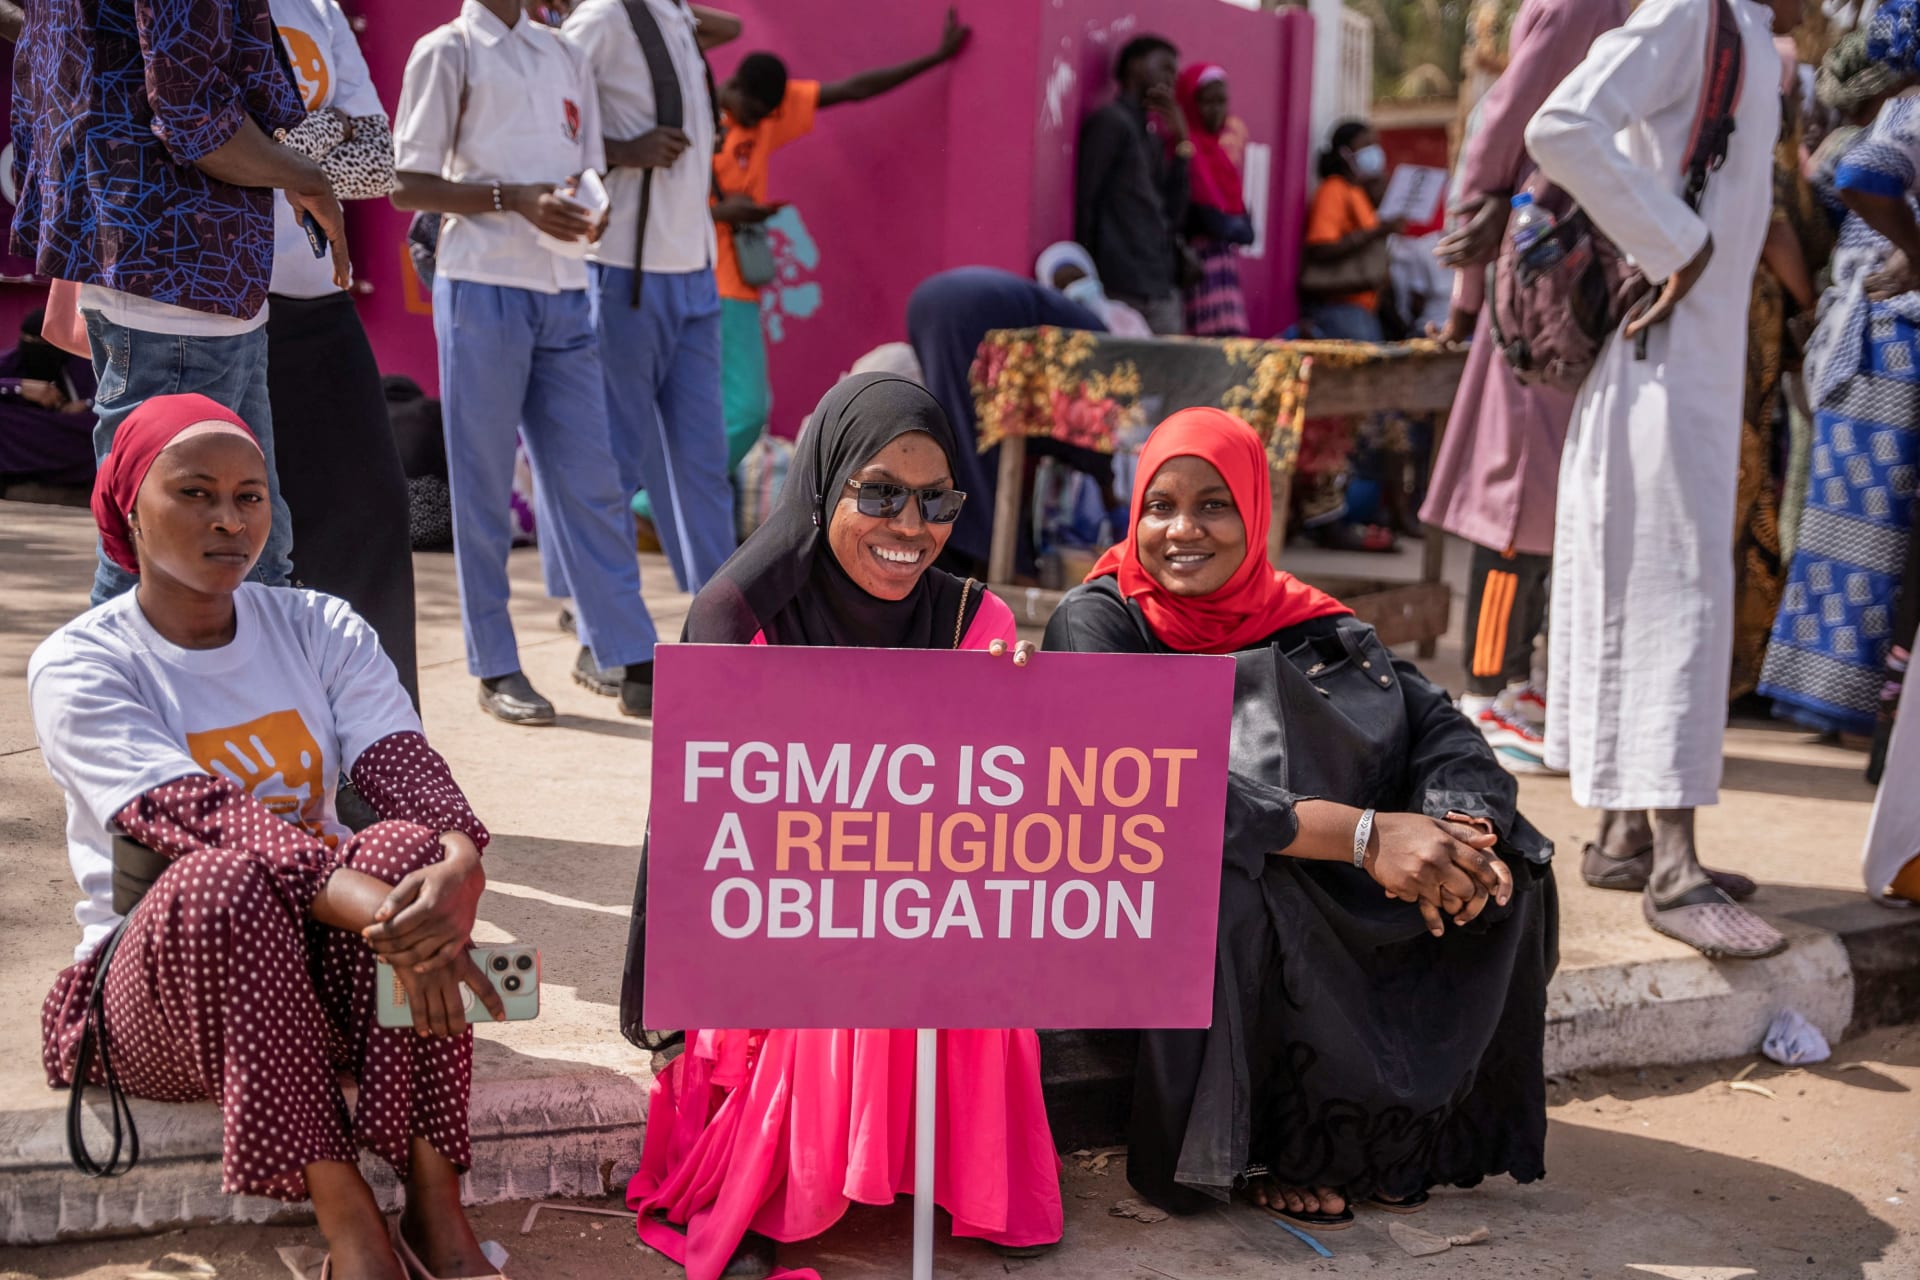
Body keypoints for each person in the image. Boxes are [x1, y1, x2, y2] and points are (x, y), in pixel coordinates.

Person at [29, 394, 504, 1280]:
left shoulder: (316, 625)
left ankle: (438, 1201)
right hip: (169, 996)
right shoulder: (83, 662)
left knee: (410, 848)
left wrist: (459, 862)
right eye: (196, 493)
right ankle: (351, 1222)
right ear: (130, 504)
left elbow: (401, 759)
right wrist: (406, 923)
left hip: (319, 975)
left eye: (251, 496)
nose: (229, 519)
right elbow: (208, 820)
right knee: (223, 879)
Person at [1043, 409, 1557, 1225]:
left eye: (1215, 505)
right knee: (1239, 889)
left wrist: (1458, 828)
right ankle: (1258, 1150)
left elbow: (1443, 729)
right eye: (1160, 505)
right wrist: (1366, 838)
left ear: (1257, 512)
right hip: (1150, 890)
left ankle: (1395, 1144)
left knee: (1512, 869)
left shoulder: (1306, 619)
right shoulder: (1101, 621)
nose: (1184, 529)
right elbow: (1157, 791)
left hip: (1306, 854)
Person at [620, 374, 1064, 1279]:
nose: (912, 526)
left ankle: (926, 1177)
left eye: (937, 499)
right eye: (881, 493)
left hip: (918, 907)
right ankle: (784, 1192)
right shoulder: (738, 620)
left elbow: (993, 822)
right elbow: (713, 847)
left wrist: (1020, 714)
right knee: (852, 960)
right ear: (823, 487)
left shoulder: (975, 619)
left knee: (942, 954)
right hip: (777, 929)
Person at [1525, 0, 1800, 958]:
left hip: (1679, 369)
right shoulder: (1696, 10)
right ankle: (1675, 870)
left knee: (1646, 591)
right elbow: (1559, 125)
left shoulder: (1751, 32)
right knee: (1678, 596)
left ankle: (1624, 836)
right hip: (1663, 369)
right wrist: (1676, 243)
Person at [10, 0, 350, 608]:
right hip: (178, 270)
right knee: (159, 557)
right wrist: (309, 176)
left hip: (183, 271)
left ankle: (247, 702)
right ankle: (114, 701)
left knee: (252, 557)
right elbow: (195, 118)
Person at [392, 0, 662, 724]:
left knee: (593, 480)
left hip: (565, 288)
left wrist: (588, 208)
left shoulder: (564, 51)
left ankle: (629, 653)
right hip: (481, 286)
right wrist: (515, 202)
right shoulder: (446, 51)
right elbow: (406, 183)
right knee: (480, 486)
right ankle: (495, 664)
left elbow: (588, 165)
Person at [1424, 0, 1630, 775]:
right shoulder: (1581, 4)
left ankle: (1516, 681)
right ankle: (1483, 690)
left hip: (1571, 262)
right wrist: (1466, 293)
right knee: (1513, 493)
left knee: (1544, 496)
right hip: (1545, 271)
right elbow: (1501, 133)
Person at [700, 8, 972, 542]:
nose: (760, 121)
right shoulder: (703, 115)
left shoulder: (769, 113)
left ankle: (661, 503)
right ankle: (656, 502)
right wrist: (723, 213)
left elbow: (852, 89)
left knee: (736, 410)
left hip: (736, 285)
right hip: (699, 281)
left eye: (768, 113)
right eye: (753, 111)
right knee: (744, 409)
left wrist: (935, 59)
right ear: (732, 90)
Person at [549, 0, 741, 701]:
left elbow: (732, 29)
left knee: (703, 469)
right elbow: (549, 126)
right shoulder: (600, 18)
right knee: (609, 468)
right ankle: (601, 639)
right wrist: (625, 151)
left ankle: (726, 636)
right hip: (623, 275)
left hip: (691, 275)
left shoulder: (674, 17)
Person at [1761, 3, 1920, 750]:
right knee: (1873, 537)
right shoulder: (1908, 114)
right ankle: (1854, 705)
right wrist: (1917, 253)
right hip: (1893, 346)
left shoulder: (1891, 113)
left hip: (1864, 341)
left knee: (1846, 530)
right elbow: (1856, 176)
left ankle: (1839, 699)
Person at [266, 0, 420, 706]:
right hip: (212, 302)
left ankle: (378, 755)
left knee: (374, 514)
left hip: (315, 296)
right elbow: (207, 136)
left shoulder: (320, 8)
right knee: (237, 533)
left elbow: (377, 166)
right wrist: (329, 131)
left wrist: (285, 146)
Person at [904, 266, 1106, 573]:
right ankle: (997, 567)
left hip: (931, 300)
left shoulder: (1082, 331)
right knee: (976, 451)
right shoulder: (1108, 362)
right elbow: (1096, 447)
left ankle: (971, 559)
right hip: (973, 317)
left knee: (959, 441)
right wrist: (1112, 497)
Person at [1075, 34, 1190, 335]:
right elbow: (1087, 200)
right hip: (1119, 286)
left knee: (1169, 379)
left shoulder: (1150, 136)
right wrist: (1090, 278)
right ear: (1135, 66)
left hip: (1158, 286)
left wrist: (1181, 143)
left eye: (1174, 73)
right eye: (1164, 67)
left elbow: (1173, 214)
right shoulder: (1110, 121)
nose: (1170, 79)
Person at [1301, 120, 1399, 342]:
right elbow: (1320, 248)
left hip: (1363, 308)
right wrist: (1376, 232)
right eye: (1366, 145)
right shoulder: (1333, 189)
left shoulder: (1357, 192)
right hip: (1341, 309)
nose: (1375, 151)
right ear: (1345, 153)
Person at [1175, 63, 1254, 337]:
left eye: (1222, 101)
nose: (1216, 110)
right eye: (1207, 101)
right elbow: (1212, 220)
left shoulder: (1219, 156)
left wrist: (1227, 223)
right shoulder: (1183, 148)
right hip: (1196, 268)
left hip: (1222, 268)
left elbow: (1245, 231)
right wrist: (1228, 224)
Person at [0, 307, 97, 489]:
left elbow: (108, 397)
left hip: (70, 431)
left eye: (44, 344)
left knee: (102, 427)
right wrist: (21, 387)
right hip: (23, 430)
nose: (34, 346)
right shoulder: (11, 361)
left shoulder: (81, 362)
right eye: (29, 341)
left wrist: (86, 404)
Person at [1035, 240, 1154, 338]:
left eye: (1078, 278)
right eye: (1064, 284)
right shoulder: (1051, 332)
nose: (1076, 287)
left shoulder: (1122, 316)